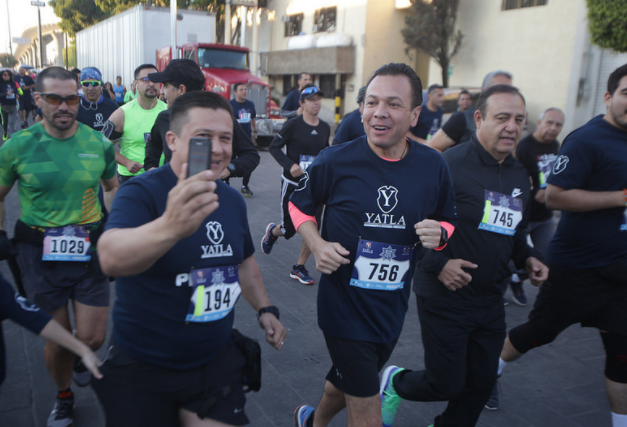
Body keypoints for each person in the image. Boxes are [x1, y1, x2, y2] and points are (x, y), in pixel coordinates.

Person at [92, 90, 287, 427]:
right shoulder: (143, 192)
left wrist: (265, 309)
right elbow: (109, 257)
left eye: (225, 138)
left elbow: (244, 263)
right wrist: (170, 227)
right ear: (172, 140)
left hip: (213, 361)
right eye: (203, 137)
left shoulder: (230, 200)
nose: (217, 148)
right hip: (145, 366)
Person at [288, 63, 457, 427]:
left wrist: (441, 233)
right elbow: (297, 205)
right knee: (366, 406)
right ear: (362, 109)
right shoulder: (336, 160)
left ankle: (312, 422)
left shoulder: (433, 165)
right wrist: (316, 244)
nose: (379, 112)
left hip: (391, 306)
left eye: (393, 104)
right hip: (343, 306)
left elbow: (449, 219)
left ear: (414, 115)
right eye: (372, 102)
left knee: (345, 381)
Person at [378, 84, 548, 427]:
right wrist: (440, 264)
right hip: (444, 296)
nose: (512, 127)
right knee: (447, 382)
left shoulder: (518, 173)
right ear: (479, 118)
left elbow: (517, 230)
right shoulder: (447, 165)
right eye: (502, 118)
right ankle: (394, 382)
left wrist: (529, 257)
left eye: (519, 120)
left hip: (489, 300)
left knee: (481, 385)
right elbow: (407, 226)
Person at [489, 64, 627, 427]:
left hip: (622, 272)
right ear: (609, 97)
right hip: (577, 267)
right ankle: (490, 373)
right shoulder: (586, 139)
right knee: (537, 332)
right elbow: (555, 197)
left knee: (622, 355)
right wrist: (620, 197)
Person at [0, 66, 119, 427]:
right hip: (37, 255)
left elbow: (112, 186)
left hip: (89, 249)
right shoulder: (17, 146)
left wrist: (110, 227)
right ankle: (64, 396)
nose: (64, 106)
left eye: (70, 98)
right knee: (57, 338)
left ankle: (81, 355)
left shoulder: (97, 143)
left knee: (94, 336)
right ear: (37, 100)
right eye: (54, 98)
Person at [144, 59, 260, 182]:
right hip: (171, 194)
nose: (161, 92)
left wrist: (229, 169)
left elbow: (251, 155)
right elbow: (153, 144)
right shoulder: (164, 118)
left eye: (166, 86)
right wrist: (151, 167)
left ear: (181, 90)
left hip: (212, 196)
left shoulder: (222, 118)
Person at [262, 84, 331, 286]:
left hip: (315, 186)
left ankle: (298, 267)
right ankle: (273, 232)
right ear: (302, 103)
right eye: (311, 100)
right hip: (292, 184)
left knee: (313, 228)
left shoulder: (325, 127)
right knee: (290, 230)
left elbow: (325, 154)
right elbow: (274, 147)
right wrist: (289, 164)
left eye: (318, 99)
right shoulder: (293, 124)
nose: (316, 103)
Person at [0, 271, 103, 388]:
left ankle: (75, 356)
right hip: (41, 270)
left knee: (91, 340)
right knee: (57, 346)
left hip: (85, 266)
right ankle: (64, 392)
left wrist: (82, 349)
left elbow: (20, 309)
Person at [506, 107, 564, 306]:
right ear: (539, 123)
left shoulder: (555, 145)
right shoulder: (524, 147)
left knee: (545, 254)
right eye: (549, 122)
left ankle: (518, 279)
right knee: (513, 252)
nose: (553, 128)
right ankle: (508, 281)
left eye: (558, 124)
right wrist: (533, 194)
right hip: (526, 214)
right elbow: (514, 181)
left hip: (545, 215)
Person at [102, 63, 167, 183]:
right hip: (132, 178)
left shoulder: (168, 111)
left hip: (162, 177)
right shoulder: (122, 113)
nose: (151, 84)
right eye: (146, 79)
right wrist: (126, 162)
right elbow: (103, 144)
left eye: (155, 80)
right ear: (136, 83)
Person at [429, 70, 513, 153]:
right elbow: (434, 147)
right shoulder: (463, 118)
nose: (507, 96)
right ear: (485, 92)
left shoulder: (512, 124)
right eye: (501, 90)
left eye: (510, 92)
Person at [229, 83, 257, 196]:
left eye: (245, 89)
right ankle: (226, 183)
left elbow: (252, 119)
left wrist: (255, 131)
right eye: (241, 89)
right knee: (229, 161)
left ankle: (245, 185)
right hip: (233, 139)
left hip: (247, 139)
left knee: (248, 161)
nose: (244, 91)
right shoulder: (230, 105)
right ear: (235, 92)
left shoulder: (250, 104)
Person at [76, 67, 119, 132]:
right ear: (81, 86)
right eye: (86, 84)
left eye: (95, 84)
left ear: (101, 85)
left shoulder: (113, 107)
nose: (90, 88)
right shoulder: (75, 108)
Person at [0, 69, 22, 140]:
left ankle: (11, 137)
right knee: (5, 122)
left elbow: (16, 91)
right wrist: (6, 94)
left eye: (8, 74)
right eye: (5, 75)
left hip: (13, 105)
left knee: (11, 121)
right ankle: (5, 132)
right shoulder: (0, 84)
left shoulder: (13, 83)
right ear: (2, 76)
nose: (6, 76)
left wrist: (17, 95)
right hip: (4, 105)